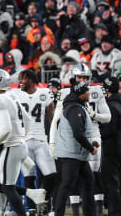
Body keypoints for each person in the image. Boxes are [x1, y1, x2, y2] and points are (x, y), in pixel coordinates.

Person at [0, 69, 46, 216]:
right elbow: (27, 120)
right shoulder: (10, 97)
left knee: (8, 187)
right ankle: (32, 193)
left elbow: (5, 128)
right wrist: (20, 137)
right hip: (18, 145)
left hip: (11, 146)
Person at [50, 63, 110, 216]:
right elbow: (56, 120)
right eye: (80, 77)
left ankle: (95, 211)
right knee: (70, 181)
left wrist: (94, 115)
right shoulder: (67, 96)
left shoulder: (94, 92)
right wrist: (52, 142)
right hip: (73, 141)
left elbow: (107, 117)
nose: (83, 80)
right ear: (74, 78)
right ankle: (74, 211)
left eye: (85, 77)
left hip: (92, 134)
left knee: (92, 175)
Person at [10, 69, 56, 215]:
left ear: (31, 79)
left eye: (23, 79)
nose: (20, 82)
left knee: (51, 175)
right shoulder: (15, 94)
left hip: (41, 139)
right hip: (23, 141)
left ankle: (44, 200)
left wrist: (54, 138)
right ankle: (31, 210)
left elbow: (52, 118)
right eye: (19, 79)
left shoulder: (45, 94)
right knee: (29, 177)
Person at [53, 78, 99, 216]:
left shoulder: (75, 106)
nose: (89, 93)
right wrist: (91, 148)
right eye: (86, 90)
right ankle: (58, 214)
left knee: (88, 183)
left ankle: (89, 213)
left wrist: (90, 143)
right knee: (66, 186)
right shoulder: (75, 109)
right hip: (71, 154)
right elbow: (78, 134)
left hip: (76, 154)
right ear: (81, 93)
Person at [100, 76, 121, 216]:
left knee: (112, 183)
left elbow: (109, 130)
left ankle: (114, 212)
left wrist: (97, 130)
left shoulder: (110, 106)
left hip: (112, 148)